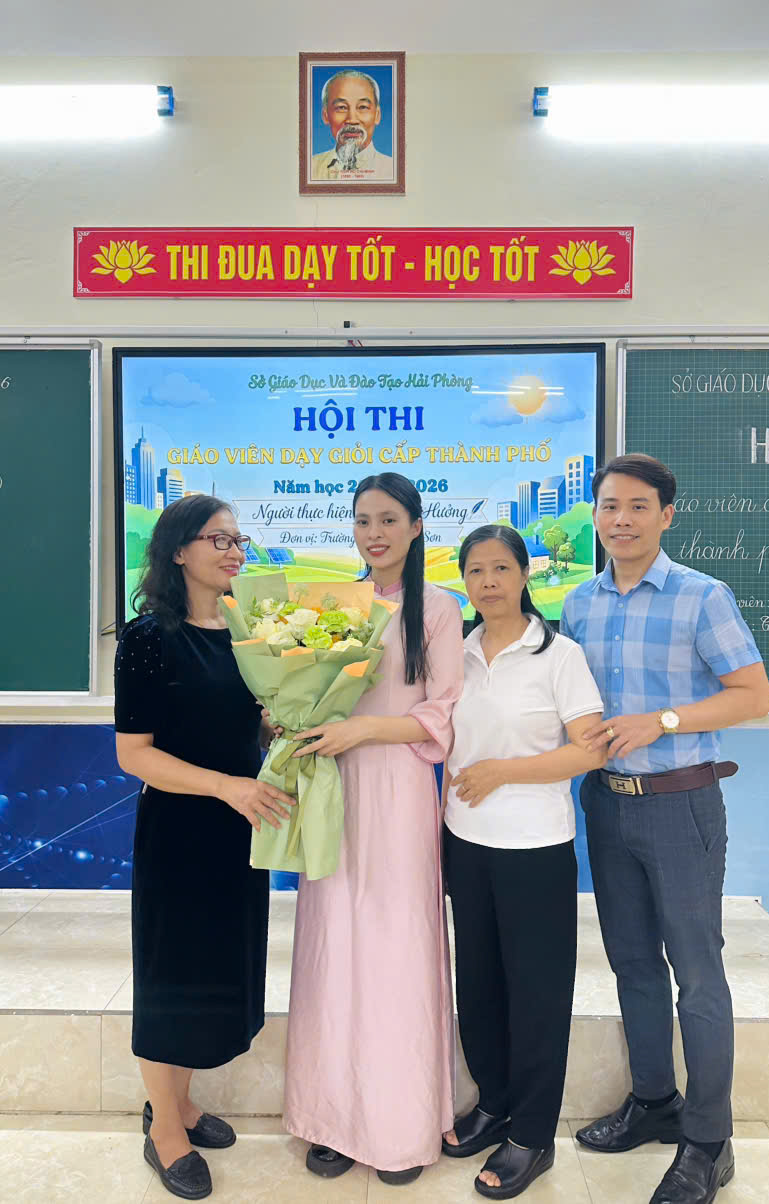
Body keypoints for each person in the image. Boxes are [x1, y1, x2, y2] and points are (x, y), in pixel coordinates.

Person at [560, 454, 769, 1204]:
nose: (621, 519)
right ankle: (653, 1100)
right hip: (605, 803)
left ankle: (709, 1141)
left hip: (682, 804)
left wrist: (666, 720)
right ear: (595, 515)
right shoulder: (579, 604)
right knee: (632, 965)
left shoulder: (701, 597)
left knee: (697, 973)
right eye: (609, 506)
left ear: (666, 515)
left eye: (638, 506)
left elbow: (752, 695)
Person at [282, 472, 463, 1185]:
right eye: (362, 521)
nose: (374, 534)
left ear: (416, 526)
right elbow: (307, 692)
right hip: (333, 786)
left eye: (388, 520)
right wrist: (288, 716)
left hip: (399, 790)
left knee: (396, 950)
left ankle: (399, 1124)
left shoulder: (439, 609)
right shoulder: (331, 606)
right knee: (332, 949)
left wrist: (363, 730)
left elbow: (444, 713)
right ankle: (331, 1120)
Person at [115, 495, 296, 1201]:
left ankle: (182, 1103)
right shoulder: (148, 637)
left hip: (238, 830)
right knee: (171, 979)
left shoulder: (246, 631)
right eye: (218, 539)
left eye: (238, 539)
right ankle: (164, 1129)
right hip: (181, 833)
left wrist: (278, 729)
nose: (234, 551)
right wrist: (225, 785)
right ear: (179, 550)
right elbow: (134, 753)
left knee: (214, 972)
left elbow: (236, 724)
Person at [441, 525, 606, 1200]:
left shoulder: (558, 654)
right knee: (479, 984)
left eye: (501, 568)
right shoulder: (454, 653)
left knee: (537, 993)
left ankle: (532, 1134)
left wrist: (502, 771)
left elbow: (591, 748)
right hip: (463, 840)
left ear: (524, 575)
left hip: (535, 847)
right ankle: (494, 1103)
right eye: (475, 570)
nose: (488, 582)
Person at [310, 69, 396, 181]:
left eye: (362, 107)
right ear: (325, 115)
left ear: (377, 115)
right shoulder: (310, 168)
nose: (352, 120)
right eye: (341, 107)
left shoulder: (394, 170)